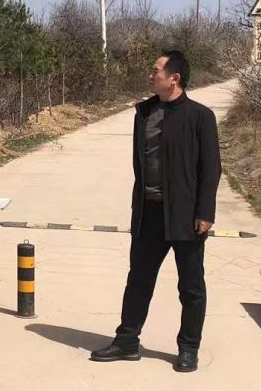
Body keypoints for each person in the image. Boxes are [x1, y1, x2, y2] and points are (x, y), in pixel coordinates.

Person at [90, 50, 221, 373]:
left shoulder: (200, 117)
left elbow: (211, 169)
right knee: (138, 279)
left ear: (174, 78)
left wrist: (205, 212)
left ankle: (188, 348)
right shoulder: (144, 112)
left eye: (156, 71)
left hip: (186, 216)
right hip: (148, 213)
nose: (151, 76)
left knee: (190, 287)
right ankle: (127, 341)